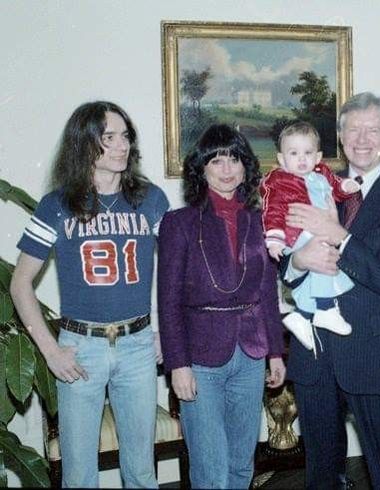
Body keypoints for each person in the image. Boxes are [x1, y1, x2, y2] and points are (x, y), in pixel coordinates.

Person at [10, 101, 169, 488]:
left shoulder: (150, 199)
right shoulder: (57, 205)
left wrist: (165, 330)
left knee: (142, 471)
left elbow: (173, 272)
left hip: (137, 345)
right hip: (81, 347)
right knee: (79, 474)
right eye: (108, 138)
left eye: (125, 136)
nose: (121, 146)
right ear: (84, 145)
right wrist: (50, 350)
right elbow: (20, 283)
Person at [281, 92, 380, 489]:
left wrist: (340, 237)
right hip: (315, 354)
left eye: (374, 129)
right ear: (340, 136)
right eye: (353, 129)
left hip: (376, 354)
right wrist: (298, 262)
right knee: (320, 473)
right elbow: (281, 252)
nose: (362, 139)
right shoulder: (311, 185)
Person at [157, 124, 286, 489]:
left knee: (241, 465)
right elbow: (167, 302)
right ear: (202, 168)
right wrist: (177, 365)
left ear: (246, 166)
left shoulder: (259, 221)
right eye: (216, 160)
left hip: (251, 355)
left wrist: (275, 352)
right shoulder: (178, 223)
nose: (227, 168)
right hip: (200, 360)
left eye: (234, 158)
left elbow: (267, 293)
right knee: (211, 469)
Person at [260, 121, 361, 350]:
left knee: (319, 268)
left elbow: (335, 187)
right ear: (282, 159)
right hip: (295, 235)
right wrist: (274, 238)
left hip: (316, 231)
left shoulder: (322, 173)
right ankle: (325, 309)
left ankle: (303, 315)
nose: (301, 159)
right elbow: (272, 210)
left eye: (307, 153)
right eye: (293, 153)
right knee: (324, 258)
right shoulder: (279, 181)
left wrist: (345, 187)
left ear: (318, 157)